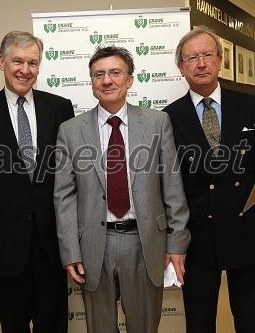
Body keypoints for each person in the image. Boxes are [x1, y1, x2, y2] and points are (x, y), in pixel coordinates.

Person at [54, 45, 190, 333]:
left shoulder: (156, 123)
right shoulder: (70, 130)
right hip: (93, 243)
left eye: (115, 73)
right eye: (99, 74)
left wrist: (177, 243)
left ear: (130, 79)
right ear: (91, 82)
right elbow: (64, 197)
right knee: (100, 327)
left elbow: (173, 187)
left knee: (144, 326)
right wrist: (70, 251)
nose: (107, 80)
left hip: (145, 242)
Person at [163, 26, 255, 333]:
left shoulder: (250, 105)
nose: (201, 63)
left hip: (248, 227)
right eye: (192, 57)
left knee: (253, 319)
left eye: (207, 55)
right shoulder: (168, 116)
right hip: (198, 235)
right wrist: (171, 240)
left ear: (220, 61)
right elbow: (168, 185)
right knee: (200, 321)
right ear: (180, 67)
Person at [0, 31, 74, 333]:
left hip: (53, 242)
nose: (25, 70)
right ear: (2, 62)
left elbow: (70, 176)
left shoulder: (61, 108)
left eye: (33, 62)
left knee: (54, 325)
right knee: (13, 325)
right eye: (18, 61)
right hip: (5, 244)